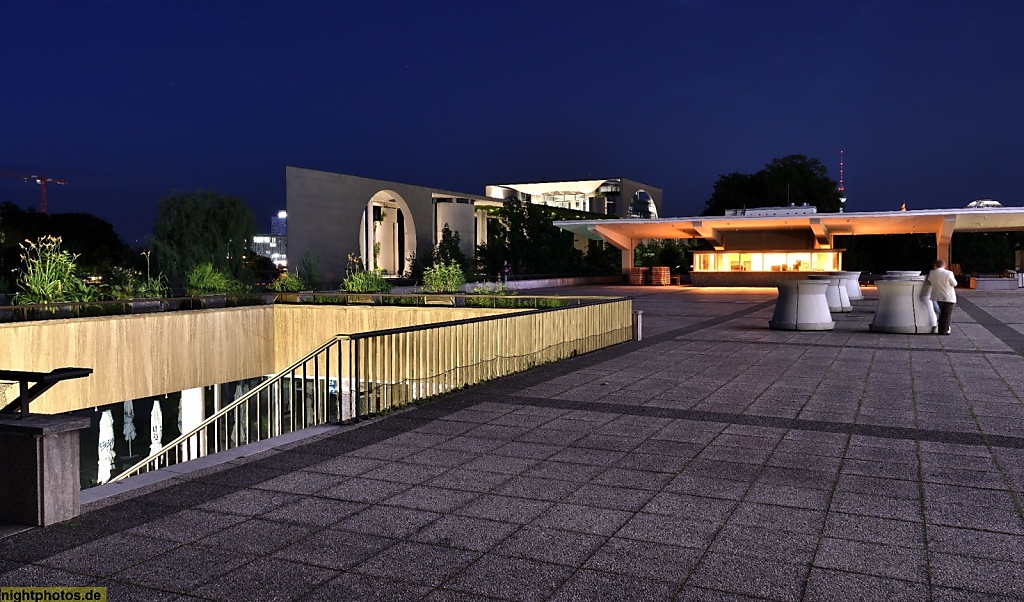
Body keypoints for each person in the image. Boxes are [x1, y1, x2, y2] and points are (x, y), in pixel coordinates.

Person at [928, 259, 958, 335]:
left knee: (942, 313)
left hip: (937, 296)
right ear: (944, 265)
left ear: (935, 265)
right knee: (947, 314)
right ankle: (944, 330)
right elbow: (954, 284)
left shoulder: (932, 273)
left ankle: (940, 329)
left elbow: (929, 280)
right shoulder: (949, 273)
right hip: (948, 296)